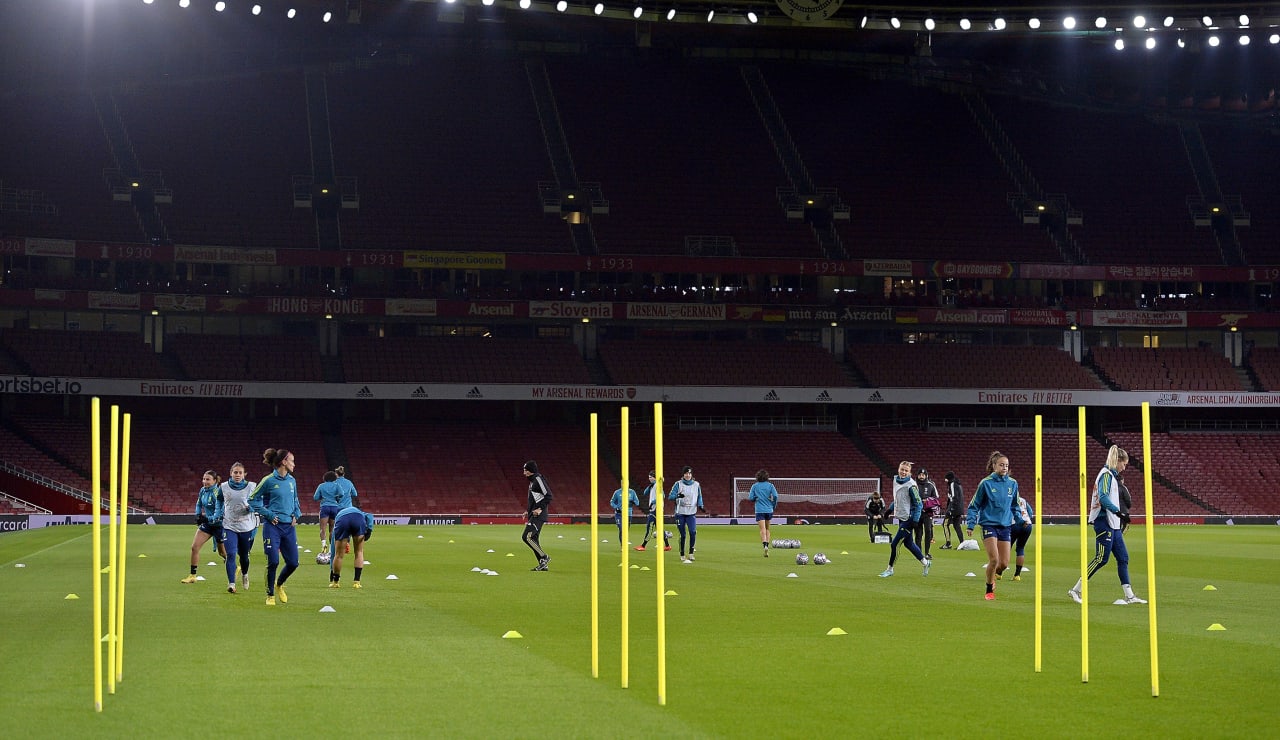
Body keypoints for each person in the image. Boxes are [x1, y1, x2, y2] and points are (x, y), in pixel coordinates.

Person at [1068, 446, 1147, 605]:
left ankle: (1129, 596)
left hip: (1113, 523)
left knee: (1123, 558)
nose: (1124, 467)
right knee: (1101, 559)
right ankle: (1076, 590)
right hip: (1104, 522)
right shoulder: (1106, 475)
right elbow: (1103, 497)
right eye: (1123, 464)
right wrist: (1118, 512)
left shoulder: (1111, 476)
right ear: (1117, 461)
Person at [249, 448, 302, 606]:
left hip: (289, 528)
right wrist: (269, 514)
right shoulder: (268, 480)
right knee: (273, 561)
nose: (294, 464)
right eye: (292, 460)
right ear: (284, 462)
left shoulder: (292, 481)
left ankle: (279, 584)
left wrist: (296, 514)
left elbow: (296, 501)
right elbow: (252, 500)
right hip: (273, 527)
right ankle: (270, 594)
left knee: (293, 563)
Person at [966, 451, 1017, 601]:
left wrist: (1020, 519)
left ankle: (993, 575)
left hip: (1005, 526)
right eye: (1001, 465)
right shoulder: (985, 483)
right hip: (988, 525)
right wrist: (970, 524)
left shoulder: (1013, 484)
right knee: (994, 560)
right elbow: (973, 505)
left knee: (1004, 563)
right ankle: (989, 588)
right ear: (994, 466)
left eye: (1006, 465)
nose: (1004, 467)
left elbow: (1015, 504)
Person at [879, 460, 930, 578]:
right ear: (898, 469)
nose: (903, 472)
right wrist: (889, 510)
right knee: (909, 544)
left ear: (910, 472)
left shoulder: (911, 485)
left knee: (894, 544)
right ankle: (926, 563)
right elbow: (898, 499)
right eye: (902, 469)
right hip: (901, 517)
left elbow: (918, 504)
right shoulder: (895, 480)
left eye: (906, 470)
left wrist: (915, 520)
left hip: (909, 518)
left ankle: (890, 569)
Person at [215, 462, 258, 594]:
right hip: (229, 525)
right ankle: (232, 583)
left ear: (244, 474)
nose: (237, 475)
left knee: (244, 556)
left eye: (240, 473)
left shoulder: (252, 486)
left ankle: (245, 574)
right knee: (231, 554)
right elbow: (219, 500)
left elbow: (257, 502)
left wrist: (251, 508)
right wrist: (218, 513)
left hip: (246, 526)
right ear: (231, 473)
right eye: (235, 472)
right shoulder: (223, 487)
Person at [181, 470, 226, 583]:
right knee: (194, 547)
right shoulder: (203, 490)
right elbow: (198, 503)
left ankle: (234, 566)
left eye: (208, 479)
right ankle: (192, 576)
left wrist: (208, 518)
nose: (204, 481)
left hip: (219, 525)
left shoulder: (218, 492)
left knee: (222, 553)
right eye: (204, 479)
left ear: (215, 481)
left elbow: (220, 511)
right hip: (207, 524)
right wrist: (198, 515)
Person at [328, 504, 374, 589]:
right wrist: (370, 530)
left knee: (338, 555)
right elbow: (370, 516)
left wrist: (331, 571)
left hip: (343, 521)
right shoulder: (360, 512)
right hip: (358, 519)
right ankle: (357, 582)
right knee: (359, 552)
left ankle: (335, 582)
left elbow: (333, 552)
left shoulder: (339, 516)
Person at [668, 466, 705, 563]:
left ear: (691, 475)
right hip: (680, 513)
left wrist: (701, 505)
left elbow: (699, 496)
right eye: (686, 473)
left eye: (689, 473)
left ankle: (691, 553)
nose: (688, 475)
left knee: (693, 532)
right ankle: (682, 554)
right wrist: (677, 495)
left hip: (691, 513)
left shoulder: (696, 485)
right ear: (683, 474)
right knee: (683, 534)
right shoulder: (678, 484)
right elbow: (670, 496)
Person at [522, 460, 553, 571]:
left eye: (525, 470)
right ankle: (543, 564)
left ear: (530, 471)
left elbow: (548, 496)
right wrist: (528, 511)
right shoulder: (532, 482)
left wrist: (539, 509)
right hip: (534, 514)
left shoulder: (538, 479)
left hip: (539, 515)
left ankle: (544, 557)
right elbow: (534, 500)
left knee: (526, 537)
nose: (524, 473)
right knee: (534, 539)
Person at [634, 471, 671, 552]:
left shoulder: (657, 485)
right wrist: (650, 486)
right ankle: (667, 545)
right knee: (660, 528)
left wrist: (653, 502)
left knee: (649, 527)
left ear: (655, 477)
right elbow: (645, 493)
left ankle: (643, 545)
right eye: (649, 477)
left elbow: (663, 496)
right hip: (655, 509)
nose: (649, 478)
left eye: (651, 477)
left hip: (656, 509)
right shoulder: (653, 485)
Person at [747, 469, 779, 557]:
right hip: (769, 509)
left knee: (762, 529)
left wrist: (755, 498)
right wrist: (773, 504)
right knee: (768, 529)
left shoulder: (755, 486)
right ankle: (767, 545)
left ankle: (764, 545)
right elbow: (776, 496)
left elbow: (750, 498)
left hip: (759, 510)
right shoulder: (770, 485)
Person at [313, 470, 342, 560]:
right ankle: (331, 549)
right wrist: (335, 497)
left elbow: (315, 497)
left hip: (324, 507)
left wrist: (323, 497)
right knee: (332, 529)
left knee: (323, 529)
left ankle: (323, 545)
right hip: (334, 507)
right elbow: (342, 494)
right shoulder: (337, 485)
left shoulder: (321, 486)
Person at [915, 468, 940, 559]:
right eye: (920, 475)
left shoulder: (931, 485)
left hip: (928, 513)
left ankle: (927, 552)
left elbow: (936, 498)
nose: (921, 477)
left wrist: (927, 500)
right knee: (918, 533)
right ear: (917, 475)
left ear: (926, 476)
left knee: (928, 531)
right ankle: (918, 553)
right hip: (917, 512)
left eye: (923, 475)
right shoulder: (913, 485)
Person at [1009, 494, 1034, 581]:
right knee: (1020, 548)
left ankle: (999, 573)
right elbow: (1030, 512)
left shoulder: (1007, 499)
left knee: (1006, 548)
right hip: (1027, 524)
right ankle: (1017, 575)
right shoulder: (1023, 500)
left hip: (1014, 524)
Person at [941, 472, 965, 549]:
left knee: (945, 524)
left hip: (954, 509)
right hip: (959, 509)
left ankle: (948, 543)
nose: (945, 481)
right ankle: (962, 544)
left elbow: (954, 497)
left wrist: (951, 509)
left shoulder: (952, 484)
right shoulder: (959, 484)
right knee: (957, 525)